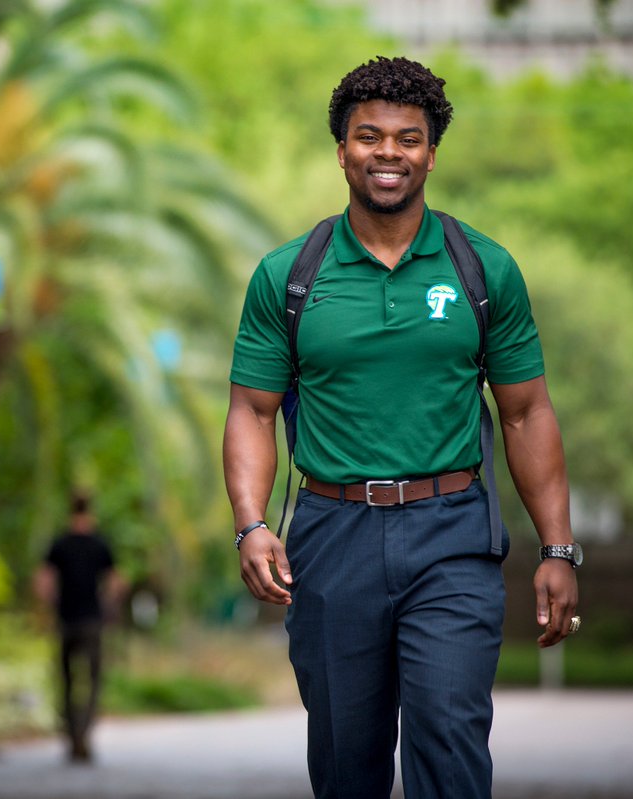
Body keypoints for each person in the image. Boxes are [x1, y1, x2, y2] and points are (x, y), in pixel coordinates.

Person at [223, 56, 580, 799]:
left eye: (408, 138)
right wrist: (251, 525)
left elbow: (526, 411)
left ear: (431, 154)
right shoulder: (289, 276)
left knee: (448, 737)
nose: (389, 153)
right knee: (346, 760)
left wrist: (557, 546)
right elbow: (253, 411)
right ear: (343, 149)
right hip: (330, 534)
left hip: (452, 533)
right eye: (369, 136)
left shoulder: (483, 268)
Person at [34, 493, 122, 763]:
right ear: (90, 510)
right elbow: (116, 581)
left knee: (67, 680)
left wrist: (53, 605)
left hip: (66, 620)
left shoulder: (59, 543)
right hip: (92, 620)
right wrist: (107, 606)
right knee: (93, 681)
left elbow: (42, 581)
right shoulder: (100, 543)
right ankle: (85, 734)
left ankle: (72, 737)